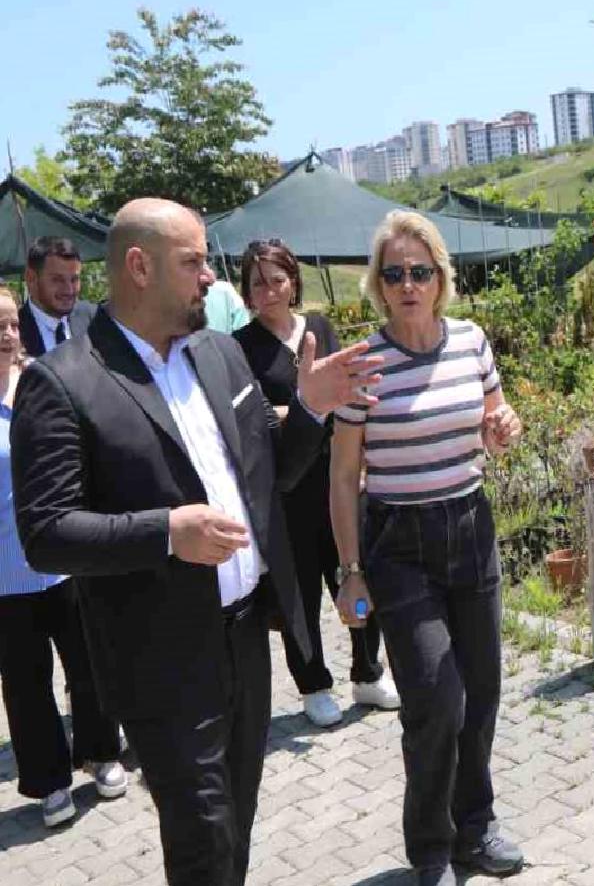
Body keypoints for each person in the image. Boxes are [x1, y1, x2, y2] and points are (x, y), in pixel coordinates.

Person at [10, 198, 382, 886]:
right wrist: (166, 533)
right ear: (138, 267)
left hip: (245, 640)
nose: (211, 276)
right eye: (194, 261)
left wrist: (309, 407)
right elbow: (47, 532)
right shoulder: (63, 383)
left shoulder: (217, 353)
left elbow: (269, 470)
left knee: (234, 820)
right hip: (161, 657)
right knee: (203, 835)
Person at [331, 210, 523, 886]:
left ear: (441, 277)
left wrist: (503, 428)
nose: (408, 284)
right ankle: (432, 848)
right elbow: (343, 475)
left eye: (420, 271)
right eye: (394, 273)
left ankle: (477, 825)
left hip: (470, 530)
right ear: (378, 286)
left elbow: (496, 424)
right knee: (437, 699)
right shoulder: (365, 366)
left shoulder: (471, 342)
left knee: (483, 691)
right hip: (400, 546)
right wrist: (351, 573)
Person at [233, 238, 400, 727]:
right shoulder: (240, 348)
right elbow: (252, 419)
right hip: (288, 493)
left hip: (339, 479)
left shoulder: (320, 329)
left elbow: (347, 396)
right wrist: (304, 408)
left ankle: (368, 671)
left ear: (293, 282)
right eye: (257, 282)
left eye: (277, 279)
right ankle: (313, 683)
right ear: (246, 290)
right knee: (300, 594)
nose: (269, 291)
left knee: (354, 571)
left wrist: (315, 413)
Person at [0, 287, 126, 828]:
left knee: (90, 663)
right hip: (5, 577)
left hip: (65, 559)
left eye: (10, 324)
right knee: (27, 684)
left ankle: (101, 752)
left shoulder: (36, 382)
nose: (8, 335)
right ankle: (49, 780)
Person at [19, 235, 96, 355]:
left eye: (74, 279)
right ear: (31, 278)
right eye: (57, 280)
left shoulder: (95, 321)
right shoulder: (13, 332)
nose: (69, 290)